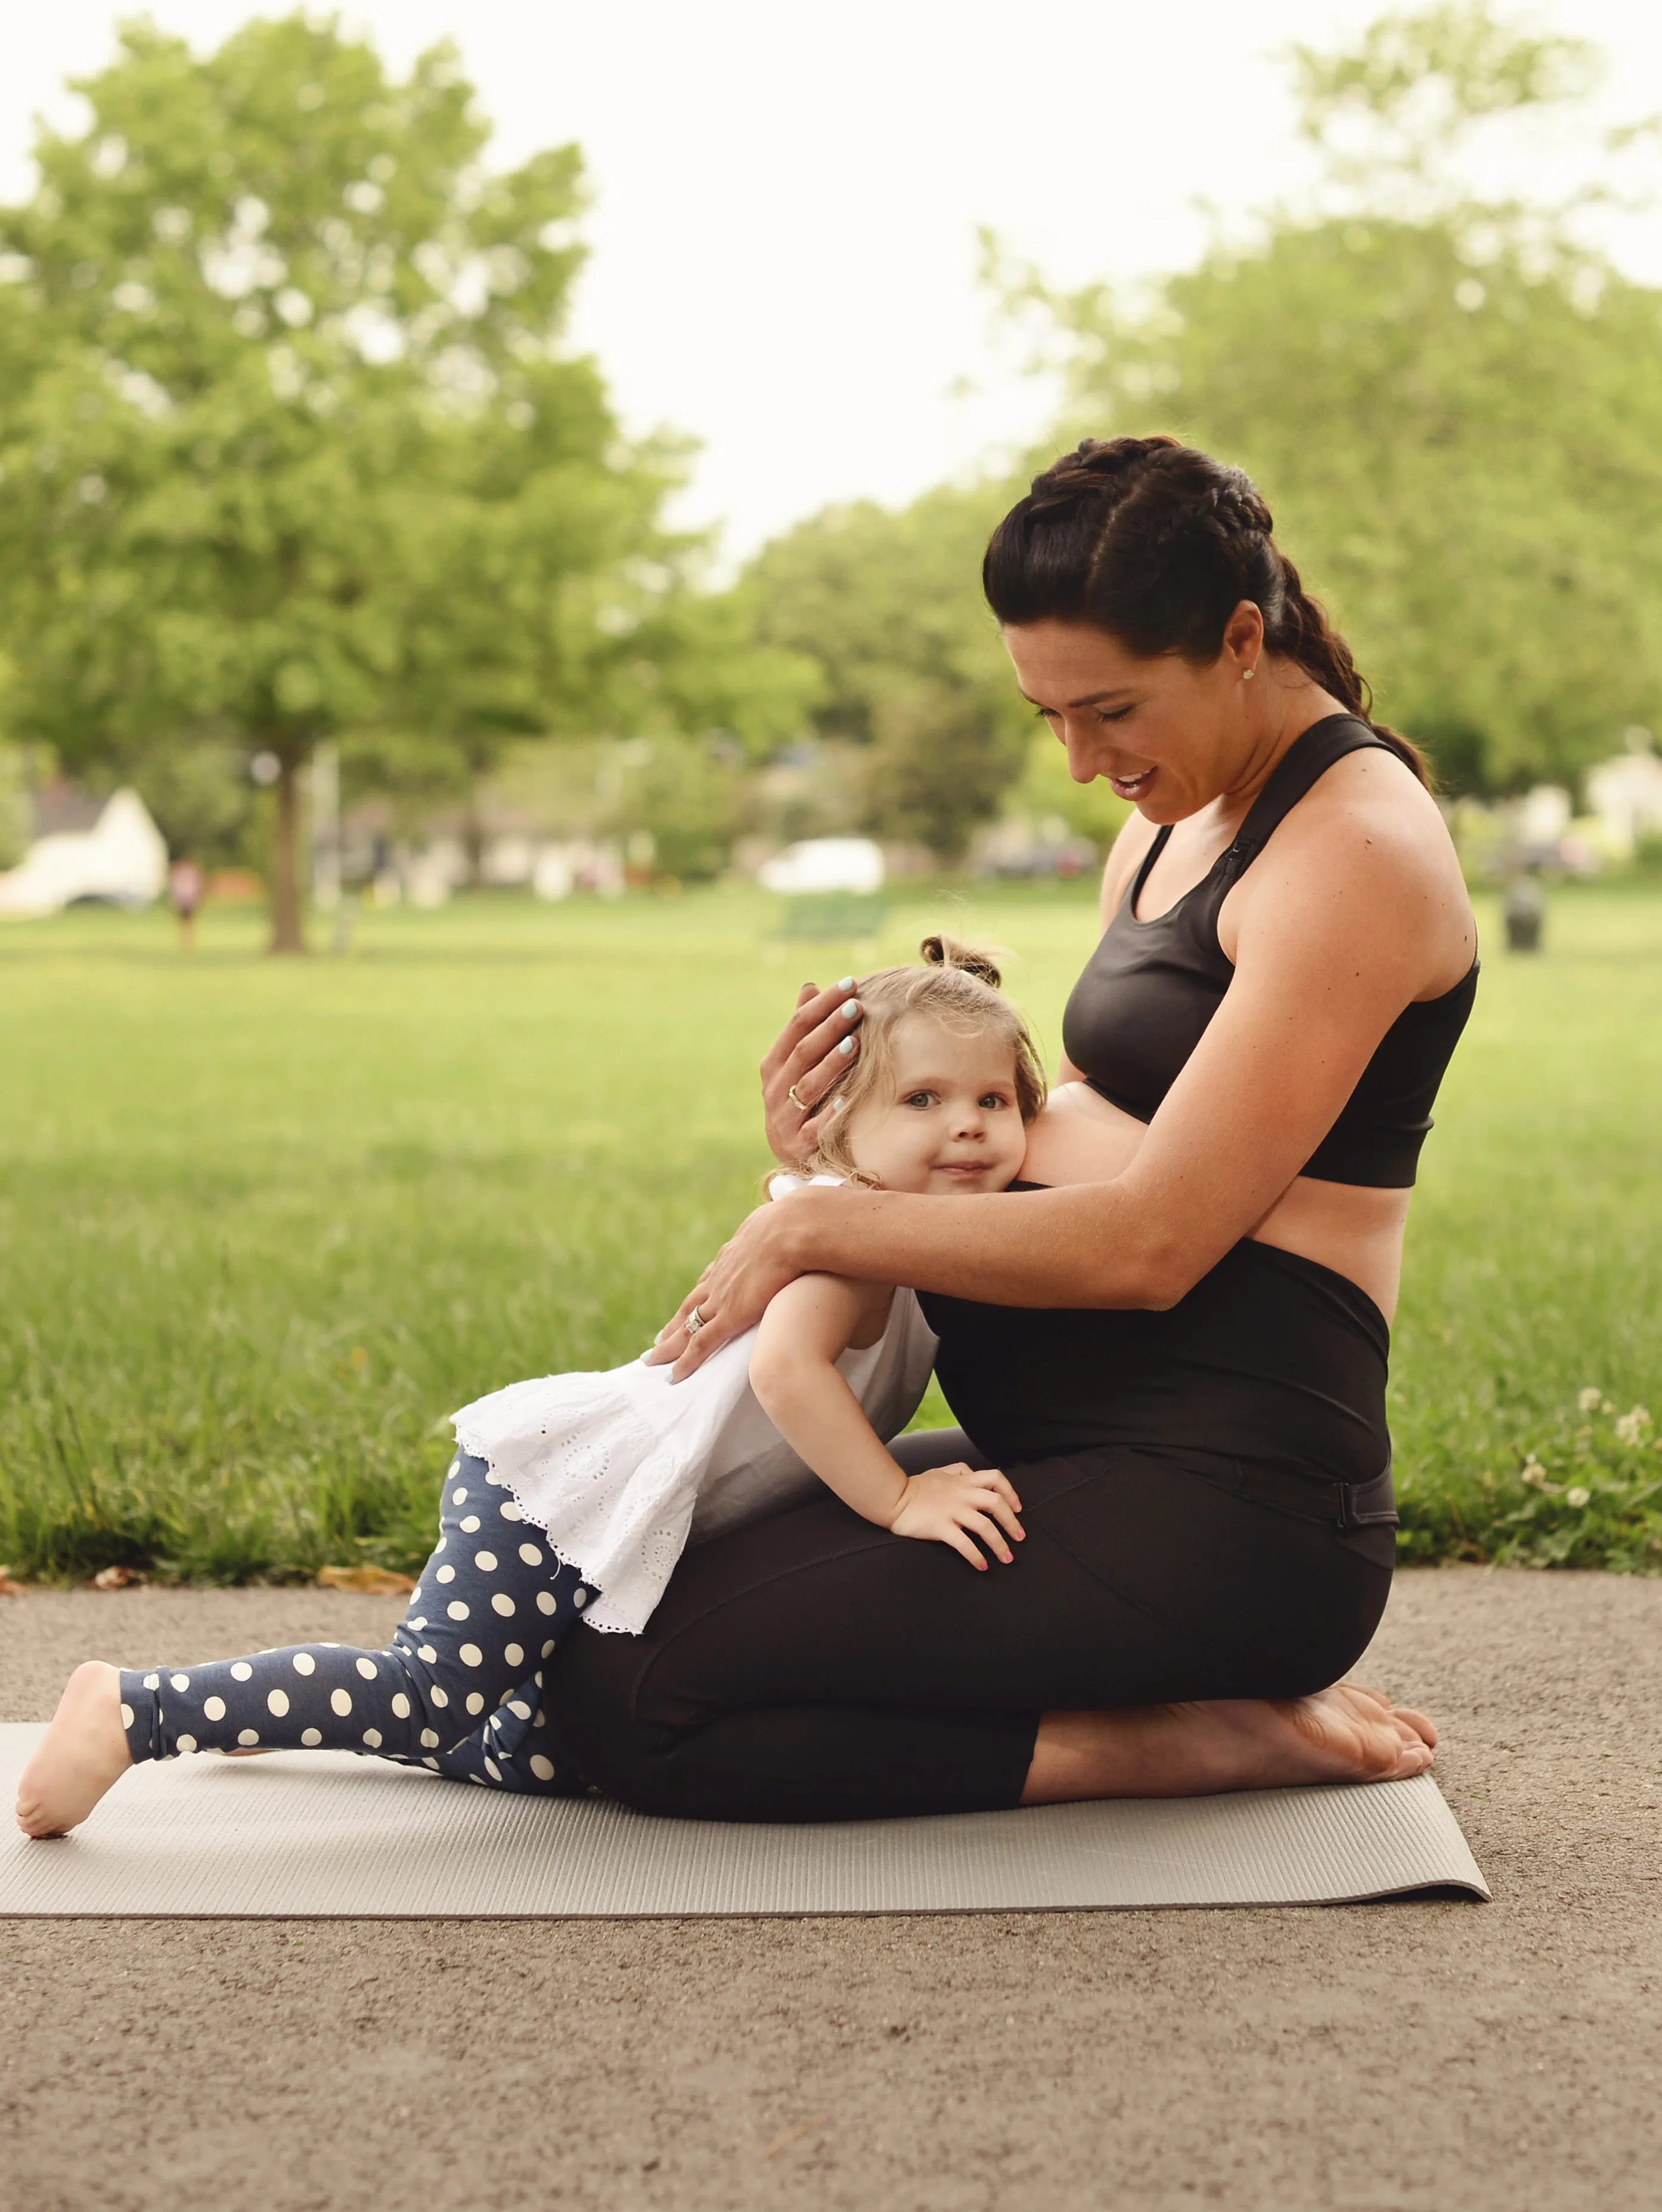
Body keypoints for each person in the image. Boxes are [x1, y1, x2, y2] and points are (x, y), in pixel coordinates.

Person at [538, 435, 1469, 1820]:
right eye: (1050, 718)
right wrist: (849, 1144)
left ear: (1237, 637)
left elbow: (1154, 1241)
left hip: (1232, 1501)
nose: (1084, 761)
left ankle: (1191, 1740)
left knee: (641, 1708)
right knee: (592, 1614)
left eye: (1109, 711)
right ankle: (1165, 1699)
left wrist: (818, 1224)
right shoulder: (1169, 819)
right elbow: (1089, 1119)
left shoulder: (1353, 850)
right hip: (1069, 1457)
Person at [15, 944, 1045, 1837]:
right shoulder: (851, 1243)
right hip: (558, 1497)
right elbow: (784, 1373)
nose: (966, 1127)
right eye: (923, 1100)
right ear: (833, 1132)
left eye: (991, 1100)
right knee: (430, 1697)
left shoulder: (894, 1238)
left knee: (553, 1746)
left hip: (626, 1517)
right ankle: (135, 1711)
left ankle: (294, 1707)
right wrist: (905, 1497)